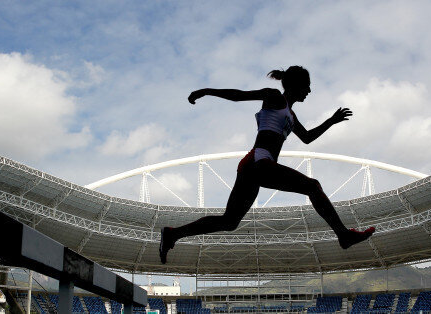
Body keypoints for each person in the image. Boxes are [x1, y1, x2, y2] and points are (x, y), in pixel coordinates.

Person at [159, 66, 375, 264]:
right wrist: (205, 90)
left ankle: (172, 234)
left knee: (230, 221)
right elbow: (238, 96)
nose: (309, 90)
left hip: (253, 166)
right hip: (258, 163)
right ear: (295, 85)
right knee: (313, 186)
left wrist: (331, 120)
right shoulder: (274, 97)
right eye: (306, 86)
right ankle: (343, 235)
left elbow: (307, 137)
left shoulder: (291, 114)